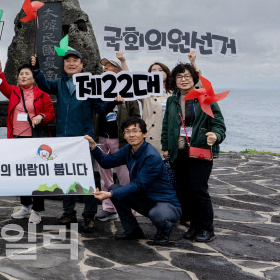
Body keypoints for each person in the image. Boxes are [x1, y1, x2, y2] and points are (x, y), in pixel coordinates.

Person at [32, 50, 116, 233]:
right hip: (63, 139)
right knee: (66, 178)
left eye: (75, 60)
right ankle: (68, 213)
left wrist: (113, 102)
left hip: (84, 140)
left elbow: (101, 110)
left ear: (82, 64)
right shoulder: (60, 83)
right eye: (67, 60)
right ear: (64, 65)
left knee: (86, 179)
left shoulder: (90, 84)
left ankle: (88, 215)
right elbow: (44, 86)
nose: (71, 63)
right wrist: (37, 70)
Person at [91, 117, 181, 246]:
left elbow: (139, 184)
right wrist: (93, 147)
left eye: (135, 131)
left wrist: (109, 195)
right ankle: (132, 230)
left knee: (157, 214)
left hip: (166, 203)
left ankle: (163, 233)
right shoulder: (128, 150)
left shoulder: (151, 156)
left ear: (144, 134)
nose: (131, 135)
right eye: (127, 131)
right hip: (144, 200)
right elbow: (107, 162)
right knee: (115, 189)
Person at [161, 62, 226, 243]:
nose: (183, 80)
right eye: (179, 77)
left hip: (200, 150)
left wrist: (215, 136)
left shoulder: (205, 97)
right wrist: (166, 146)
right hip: (178, 151)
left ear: (194, 78)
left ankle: (206, 229)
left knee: (199, 190)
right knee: (185, 191)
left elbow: (219, 124)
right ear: (174, 80)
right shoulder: (172, 100)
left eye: (187, 76)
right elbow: (167, 125)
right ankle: (194, 226)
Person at [0, 55, 55, 224]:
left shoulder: (42, 94)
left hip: (35, 140)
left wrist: (41, 116)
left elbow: (51, 115)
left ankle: (37, 210)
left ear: (34, 78)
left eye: (27, 73)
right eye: (21, 73)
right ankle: (26, 206)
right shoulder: (13, 91)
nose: (23, 76)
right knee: (21, 174)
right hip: (17, 139)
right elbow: (1, 84)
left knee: (37, 176)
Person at [95, 53, 141, 222]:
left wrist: (133, 137)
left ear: (118, 71)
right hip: (102, 138)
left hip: (121, 141)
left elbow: (136, 115)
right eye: (104, 67)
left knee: (125, 176)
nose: (105, 69)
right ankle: (108, 207)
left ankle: (130, 208)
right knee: (104, 175)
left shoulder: (129, 92)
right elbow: (97, 112)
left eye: (109, 66)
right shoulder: (98, 90)